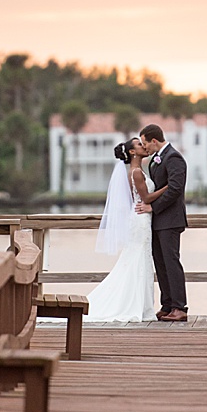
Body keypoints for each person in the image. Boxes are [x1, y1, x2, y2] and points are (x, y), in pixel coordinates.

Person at [87, 137, 169, 321]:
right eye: (139, 144)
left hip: (142, 219)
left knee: (141, 260)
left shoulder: (137, 170)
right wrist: (167, 187)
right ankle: (138, 306)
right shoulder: (136, 172)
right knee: (139, 260)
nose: (143, 146)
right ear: (132, 152)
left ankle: (143, 306)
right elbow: (146, 198)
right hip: (140, 221)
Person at [135, 123, 188, 322]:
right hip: (158, 222)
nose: (144, 147)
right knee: (161, 263)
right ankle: (167, 304)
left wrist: (153, 208)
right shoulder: (156, 160)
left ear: (154, 141)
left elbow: (175, 189)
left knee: (171, 262)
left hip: (171, 220)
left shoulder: (173, 158)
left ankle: (179, 307)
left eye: (145, 143)